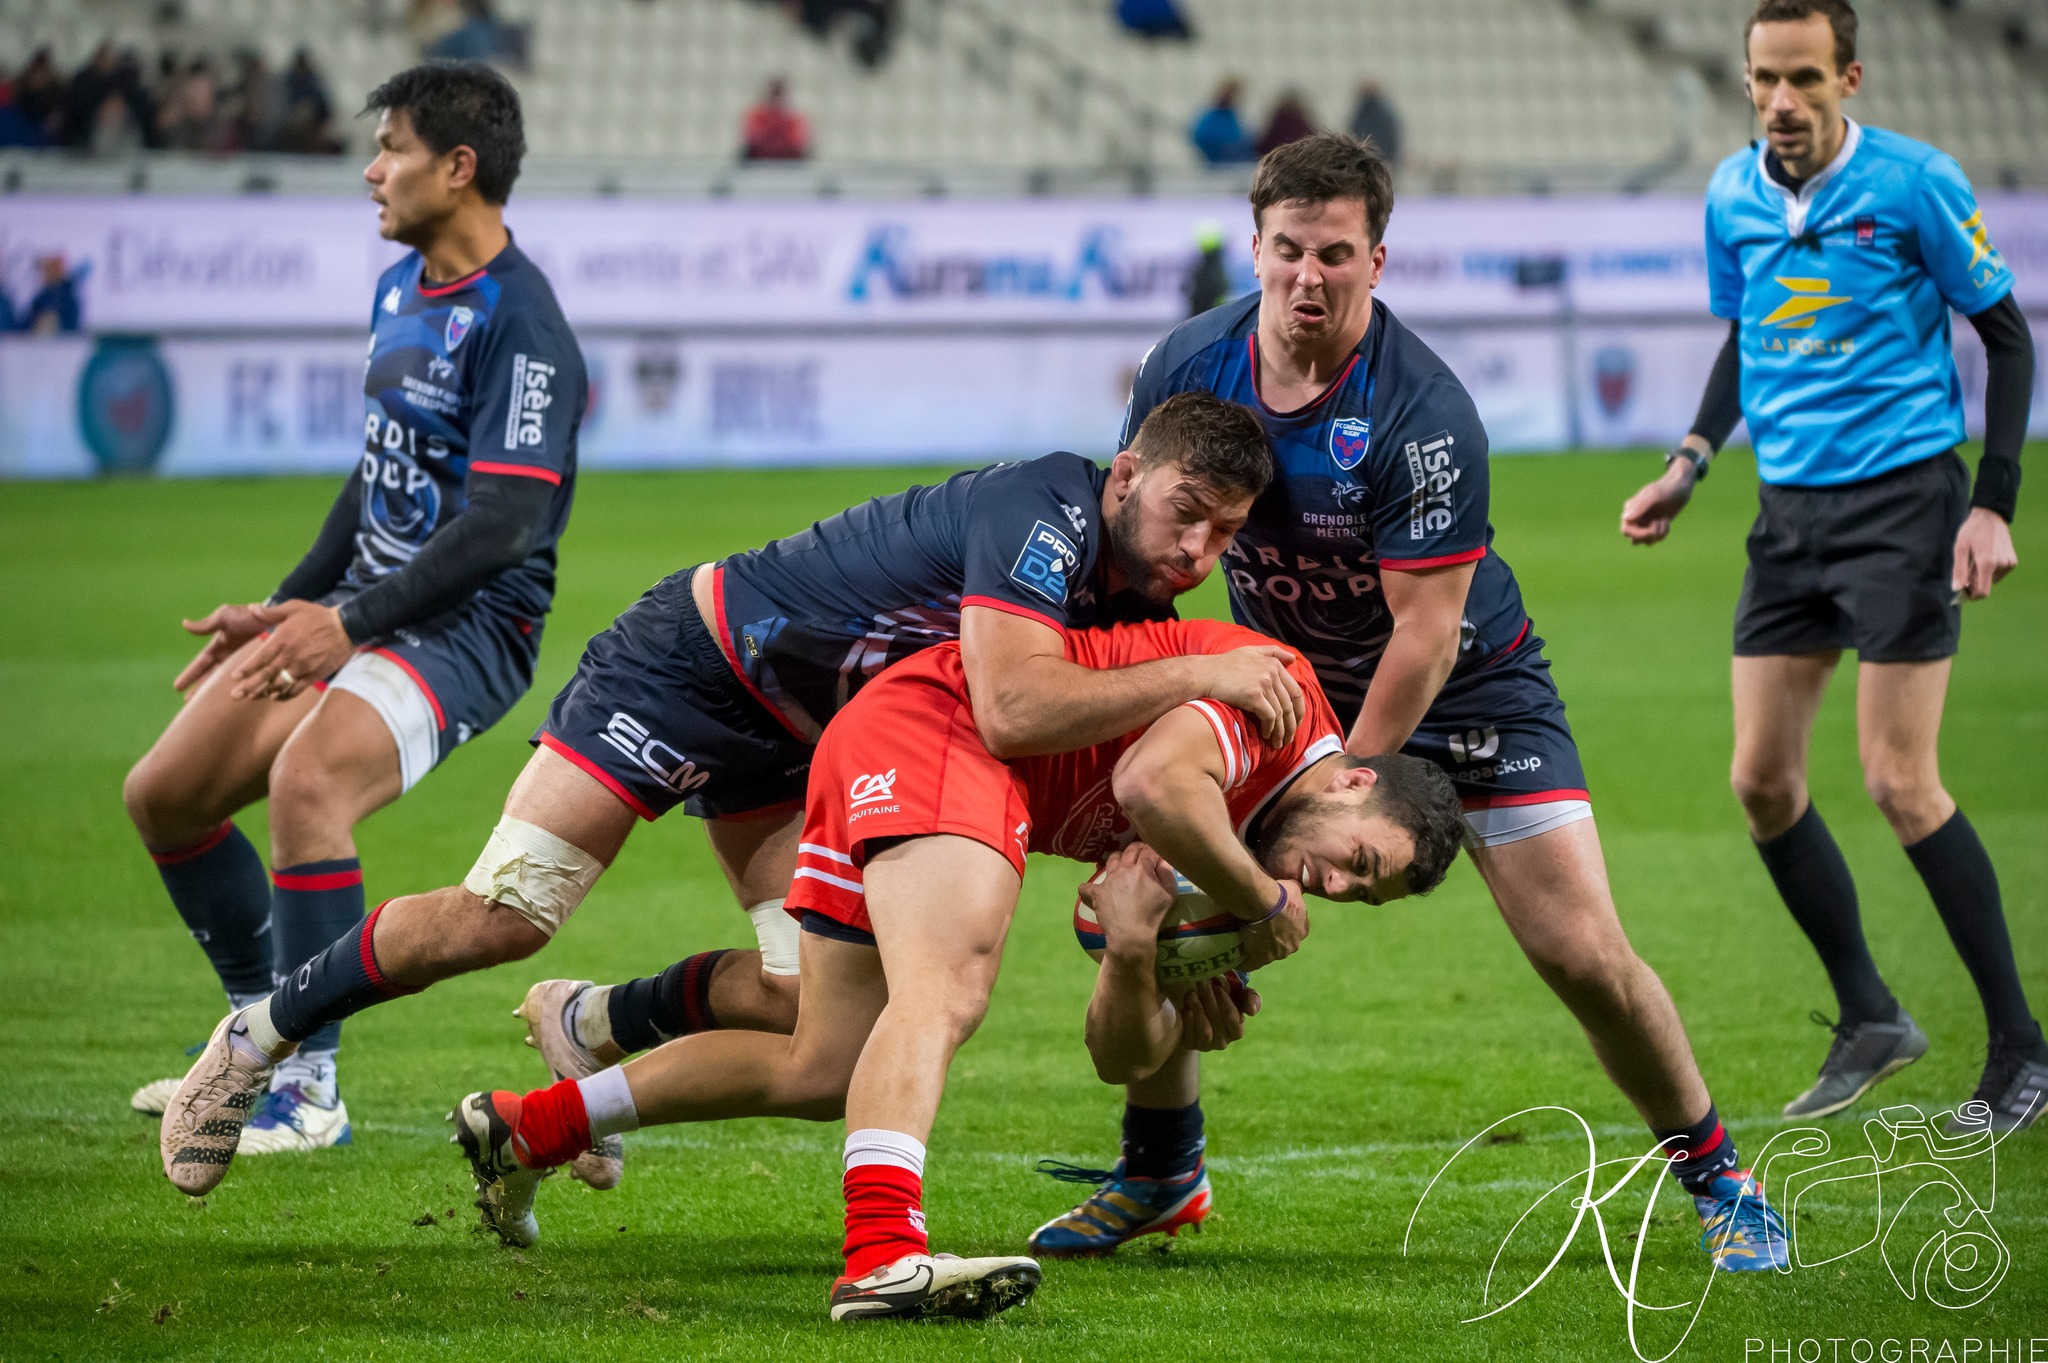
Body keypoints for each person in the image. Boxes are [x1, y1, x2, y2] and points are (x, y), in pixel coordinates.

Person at [157, 393, 1314, 1196]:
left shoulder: (1126, 600)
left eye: (1223, 531)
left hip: (796, 748)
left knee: (819, 1039)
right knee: (498, 916)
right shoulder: (1043, 506)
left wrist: (1179, 943)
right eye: (1184, 512)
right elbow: (1011, 709)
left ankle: (592, 1024)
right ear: (1124, 475)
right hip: (684, 668)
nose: (1200, 550)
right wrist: (1211, 665)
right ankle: (257, 1033)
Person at [1033, 131, 1789, 1273]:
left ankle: (1716, 1174)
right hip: (1278, 681)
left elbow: (1425, 637)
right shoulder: (1184, 365)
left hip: (1465, 684)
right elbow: (1145, 530)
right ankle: (1159, 1168)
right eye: (1286, 251)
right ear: (1254, 244)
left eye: (1334, 254)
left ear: (1377, 260)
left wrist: (1334, 782)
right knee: (1161, 895)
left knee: (1579, 951)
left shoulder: (1420, 413)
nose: (1306, 278)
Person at [443, 615, 1468, 1322]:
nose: (1330, 887)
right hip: (944, 732)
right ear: (1356, 782)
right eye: (1357, 862)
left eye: (1354, 896)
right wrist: (1259, 902)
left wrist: (1130, 953)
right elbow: (1149, 779)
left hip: (908, 750)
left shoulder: (1243, 861)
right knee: (945, 992)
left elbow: (1122, 1055)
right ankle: (881, 1255)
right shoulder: (1275, 710)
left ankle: (530, 1126)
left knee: (821, 1064)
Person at [131, 61, 585, 1160]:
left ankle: (308, 1092)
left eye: (391, 148)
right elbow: (373, 470)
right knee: (167, 796)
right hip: (362, 605)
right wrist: (292, 603)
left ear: (457, 167)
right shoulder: (401, 287)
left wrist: (347, 622)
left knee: (308, 780)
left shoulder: (522, 324)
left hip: (469, 624)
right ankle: (252, 1041)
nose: (371, 170)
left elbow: (504, 526)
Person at [1621, 0, 2043, 1132]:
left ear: (1847, 77)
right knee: (1759, 780)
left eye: (1803, 79)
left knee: (1899, 781)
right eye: (1763, 78)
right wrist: (1688, 461)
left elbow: (2005, 339)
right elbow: (1743, 334)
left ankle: (2019, 1049)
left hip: (1904, 503)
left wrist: (1990, 505)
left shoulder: (1913, 183)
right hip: (1785, 515)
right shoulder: (1728, 194)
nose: (1779, 102)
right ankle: (1869, 1014)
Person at [1189, 79, 1254, 167]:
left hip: (1237, 164)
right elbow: (1200, 136)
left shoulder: (1232, 115)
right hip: (1217, 166)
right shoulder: (1209, 116)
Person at [741, 77, 809, 161]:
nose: (776, 97)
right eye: (774, 92)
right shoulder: (755, 116)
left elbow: (796, 144)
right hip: (759, 164)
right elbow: (755, 141)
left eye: (779, 93)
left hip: (789, 165)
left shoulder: (795, 119)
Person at [1348, 80, 1402, 169]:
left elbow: (1390, 137)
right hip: (1367, 157)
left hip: (1381, 157)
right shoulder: (1361, 111)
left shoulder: (1384, 112)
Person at [23, 254, 82, 333]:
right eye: (48, 269)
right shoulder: (40, 299)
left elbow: (72, 328)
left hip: (61, 342)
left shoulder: (69, 301)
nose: (50, 273)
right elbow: (26, 326)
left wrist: (57, 325)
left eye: (54, 269)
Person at [1255, 91, 1315, 158]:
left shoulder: (1280, 120)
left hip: (1279, 160)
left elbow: (1264, 146)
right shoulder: (1304, 123)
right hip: (1303, 160)